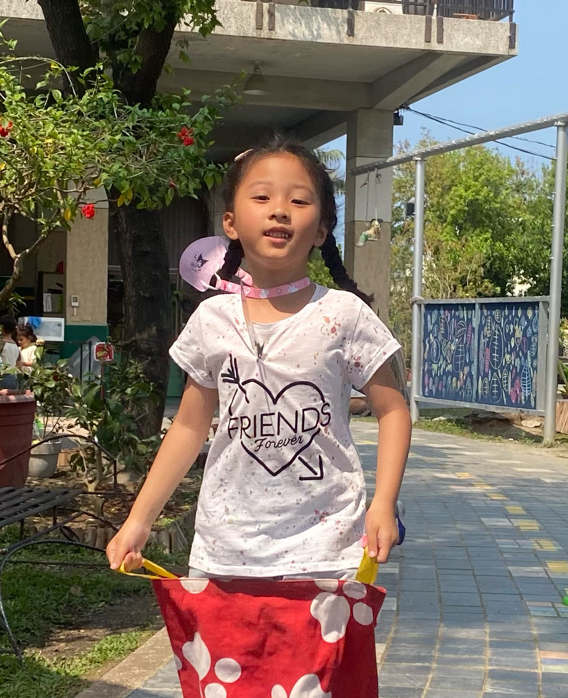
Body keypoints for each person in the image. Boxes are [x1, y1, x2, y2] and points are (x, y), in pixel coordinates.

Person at [107, 136, 411, 579]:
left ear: (322, 230)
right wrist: (139, 520)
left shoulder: (344, 314)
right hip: (225, 550)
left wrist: (383, 502)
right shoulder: (212, 318)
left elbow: (393, 410)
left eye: (299, 200)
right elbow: (189, 427)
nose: (279, 210)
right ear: (230, 222)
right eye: (262, 197)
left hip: (327, 551)